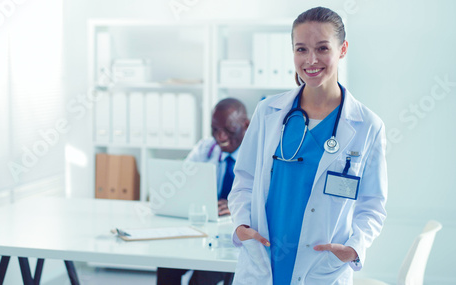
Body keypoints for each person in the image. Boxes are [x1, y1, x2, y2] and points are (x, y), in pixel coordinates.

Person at [228, 7, 388, 285]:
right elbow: (244, 179)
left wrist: (353, 248)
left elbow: (372, 204)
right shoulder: (268, 112)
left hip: (322, 266)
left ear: (343, 49)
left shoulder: (367, 125)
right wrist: (242, 226)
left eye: (322, 48)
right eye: (301, 49)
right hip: (263, 258)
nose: (311, 60)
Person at [157, 98, 250, 285]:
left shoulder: (259, 153)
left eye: (228, 130)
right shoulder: (205, 148)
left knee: (203, 276)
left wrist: (239, 207)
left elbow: (268, 198)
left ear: (246, 125)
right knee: (166, 262)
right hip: (204, 228)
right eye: (215, 130)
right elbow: (181, 186)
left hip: (234, 235)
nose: (221, 137)